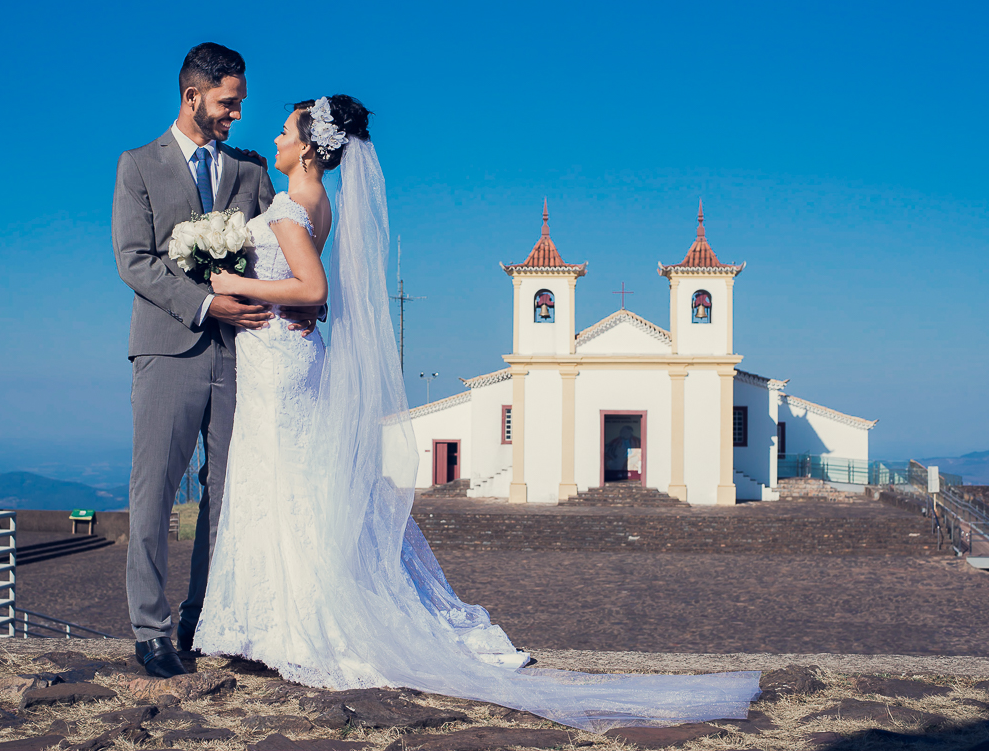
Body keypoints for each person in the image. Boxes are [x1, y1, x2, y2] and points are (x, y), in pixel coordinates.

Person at [193, 96, 761, 730]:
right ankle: (287, 615)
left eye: (282, 128)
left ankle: (288, 625)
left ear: (306, 145)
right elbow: (314, 292)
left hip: (278, 358)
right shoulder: (319, 205)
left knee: (282, 478)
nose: (272, 135)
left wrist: (229, 284)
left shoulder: (291, 208)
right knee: (298, 481)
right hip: (292, 354)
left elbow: (314, 289)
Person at [111, 42, 318, 678]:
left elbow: (280, 250)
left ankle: (204, 616)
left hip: (244, 354)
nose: (235, 115)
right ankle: (150, 630)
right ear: (193, 95)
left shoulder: (253, 172)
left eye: (241, 105)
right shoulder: (138, 166)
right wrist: (207, 305)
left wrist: (305, 304)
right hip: (170, 346)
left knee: (227, 490)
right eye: (228, 103)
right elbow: (135, 260)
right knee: (154, 490)